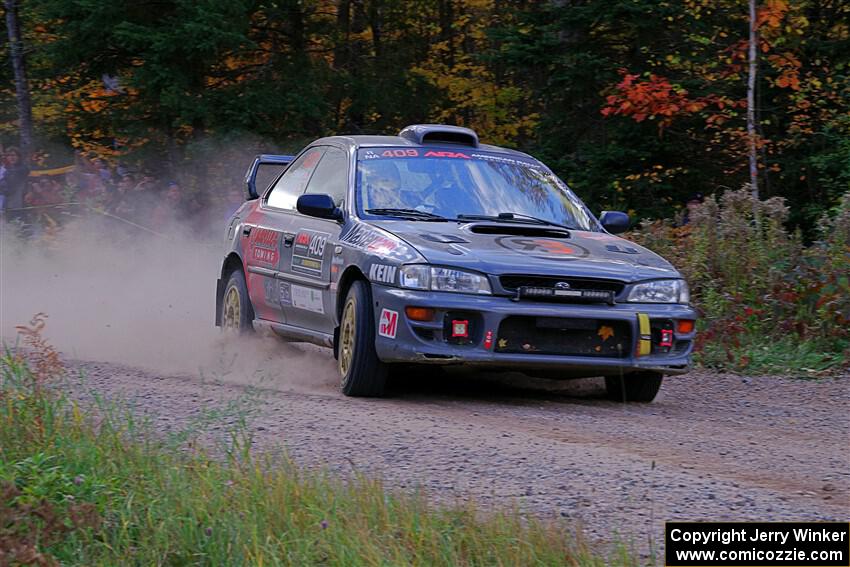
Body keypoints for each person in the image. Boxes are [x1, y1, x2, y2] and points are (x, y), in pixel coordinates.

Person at [0, 147, 31, 224]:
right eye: (9, 155)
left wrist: (3, 183)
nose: (11, 157)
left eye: (13, 155)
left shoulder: (22, 168)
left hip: (19, 202)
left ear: (18, 156)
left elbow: (11, 184)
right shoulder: (8, 169)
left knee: (22, 225)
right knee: (11, 226)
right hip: (9, 202)